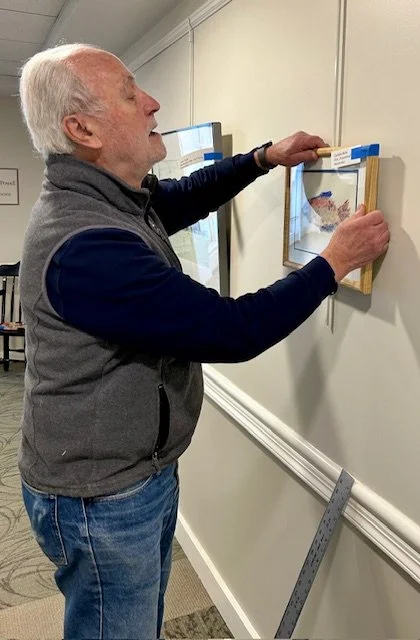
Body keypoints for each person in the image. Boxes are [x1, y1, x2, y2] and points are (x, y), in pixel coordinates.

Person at [18, 43, 389, 639]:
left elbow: (180, 198)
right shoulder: (86, 242)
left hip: (128, 476)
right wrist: (334, 261)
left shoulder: (112, 200)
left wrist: (263, 158)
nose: (152, 103)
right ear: (82, 129)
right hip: (100, 498)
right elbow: (232, 330)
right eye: (130, 95)